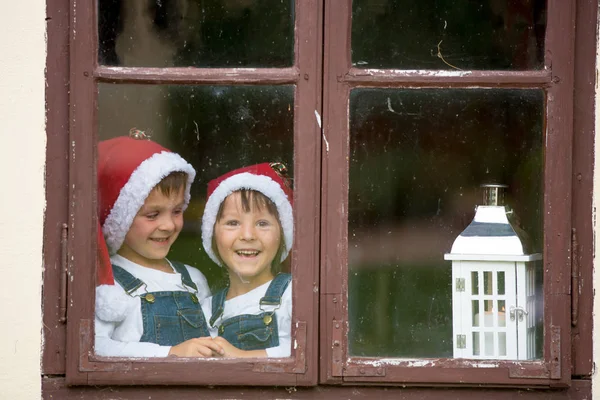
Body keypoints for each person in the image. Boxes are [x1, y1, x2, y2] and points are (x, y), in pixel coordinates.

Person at [94, 132, 223, 358]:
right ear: (119, 218)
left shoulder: (193, 280)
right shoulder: (108, 286)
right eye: (153, 215)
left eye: (177, 211)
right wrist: (170, 353)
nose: (168, 225)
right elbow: (96, 347)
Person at [200, 162, 294, 358]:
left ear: (283, 235)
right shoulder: (205, 310)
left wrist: (243, 358)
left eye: (262, 223)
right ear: (212, 235)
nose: (248, 235)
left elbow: (307, 353)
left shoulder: (293, 296)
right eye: (233, 223)